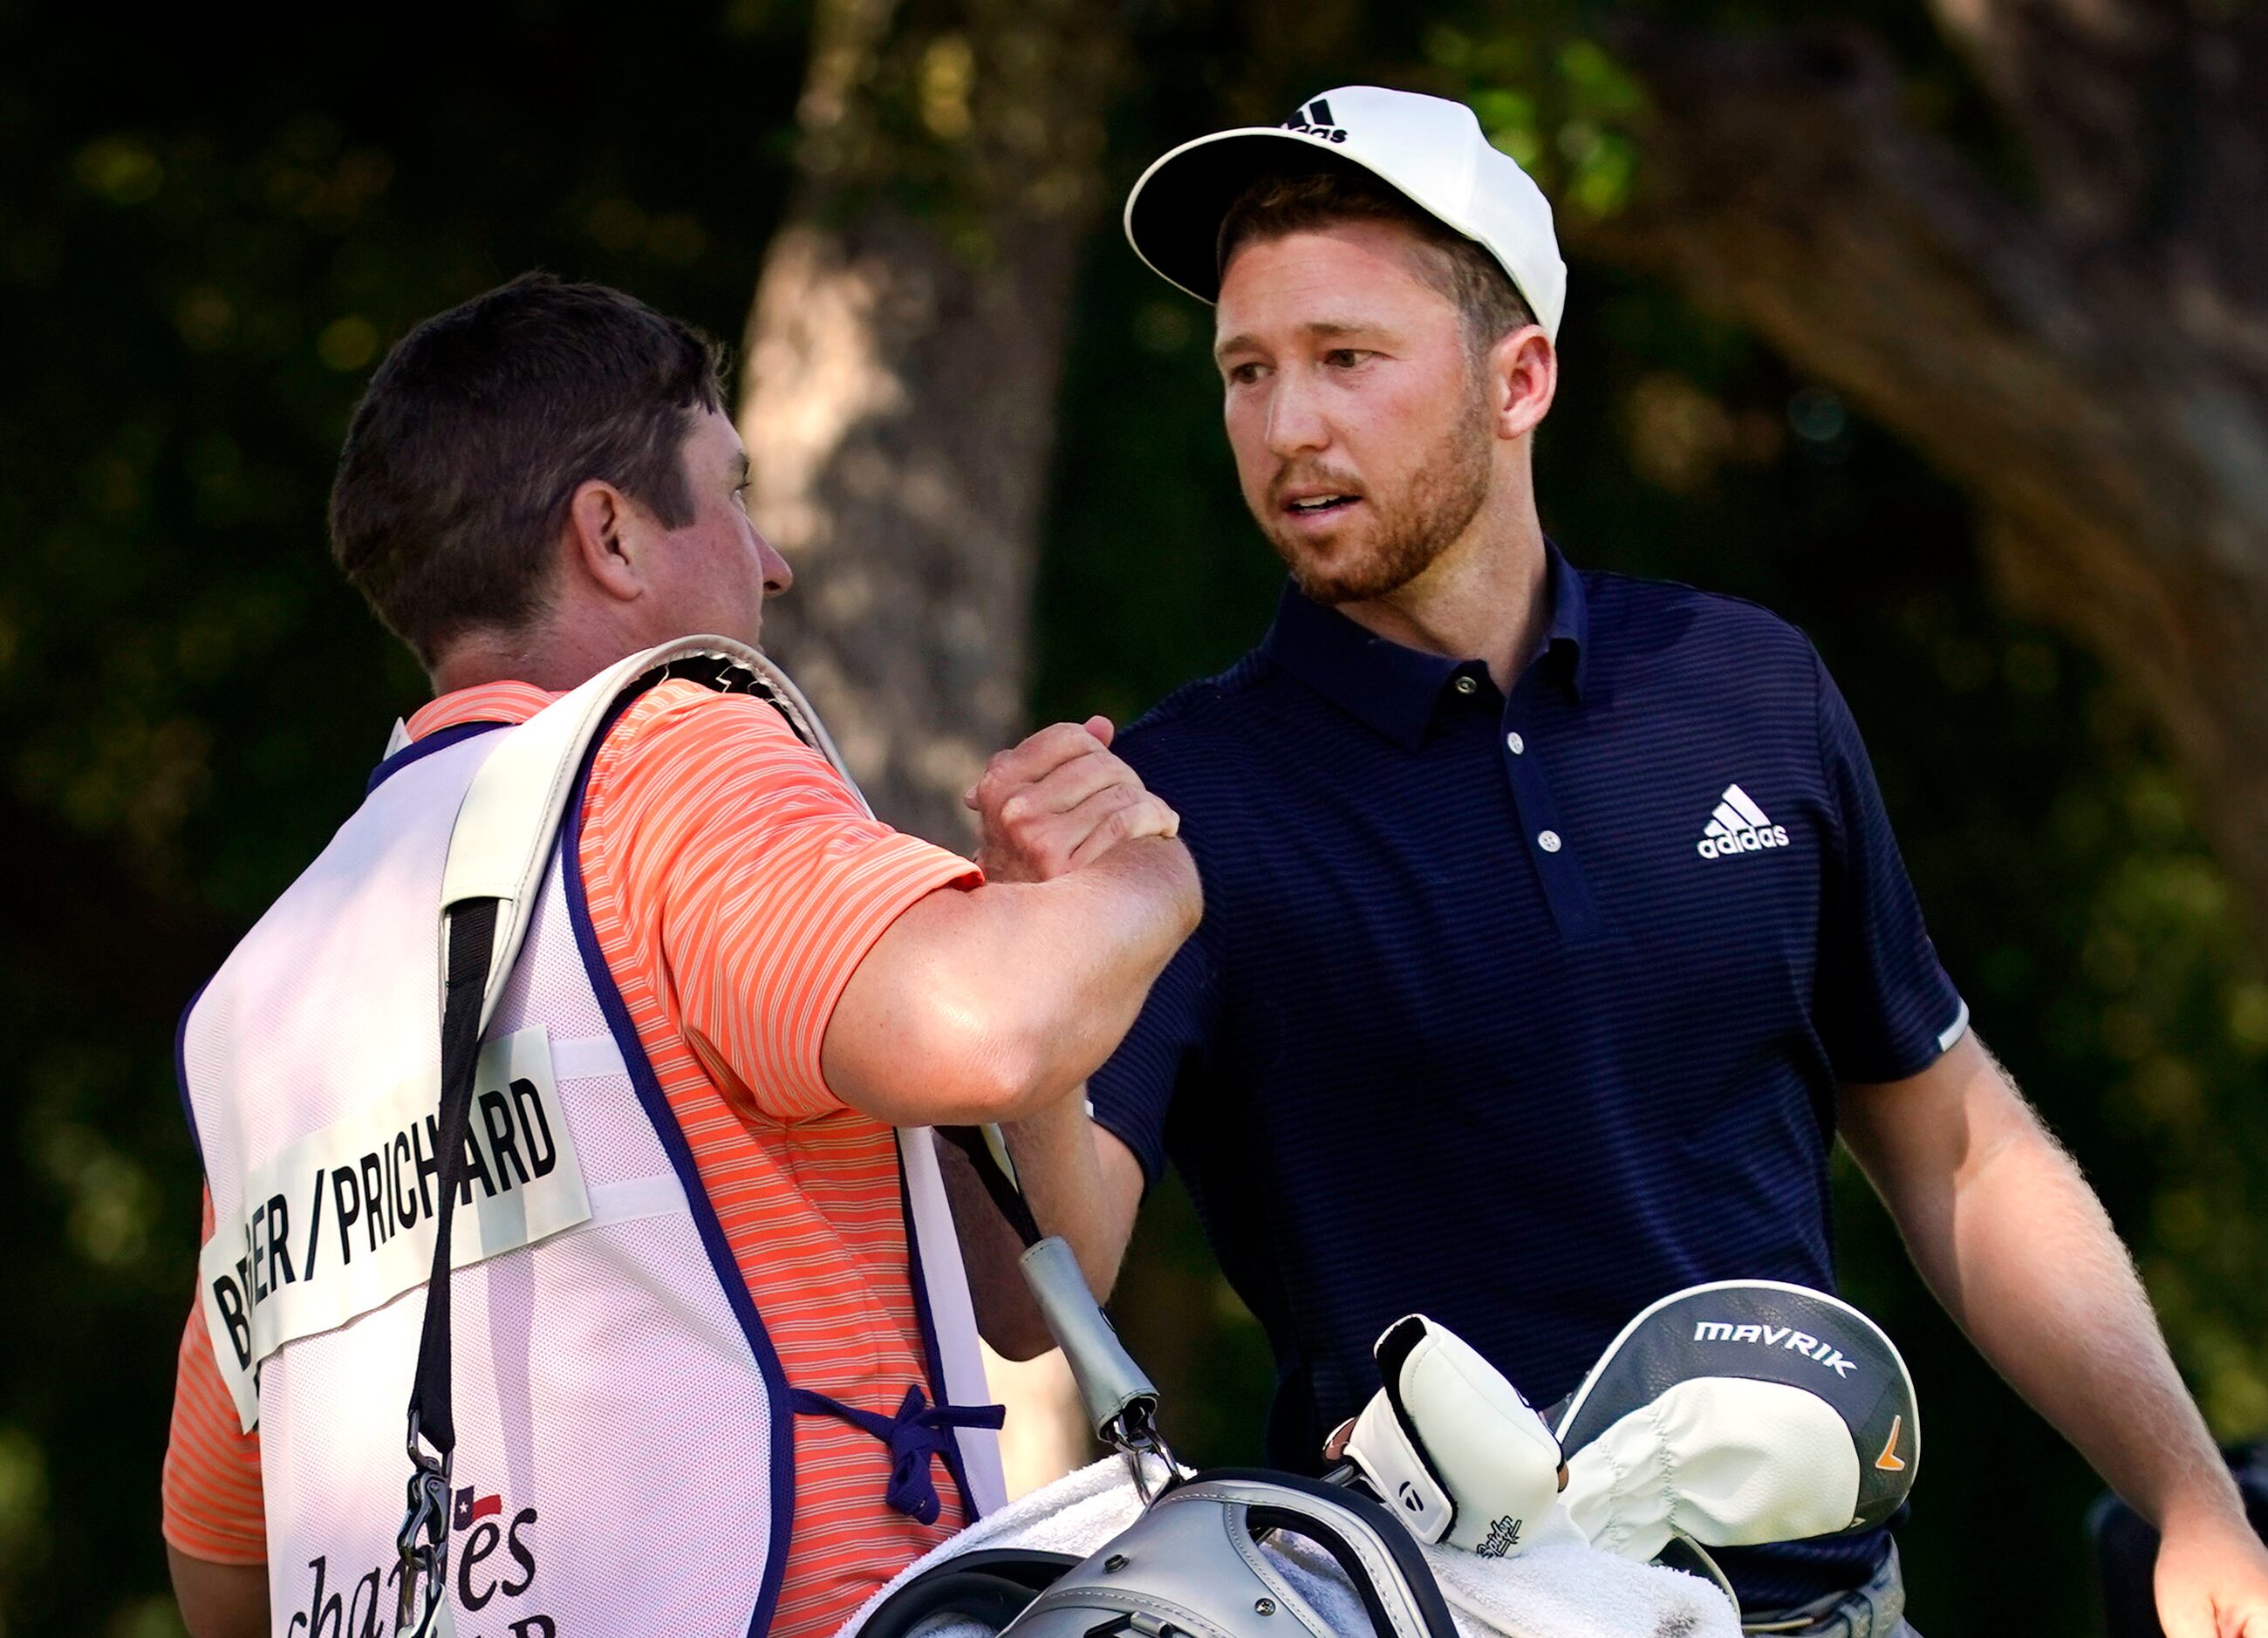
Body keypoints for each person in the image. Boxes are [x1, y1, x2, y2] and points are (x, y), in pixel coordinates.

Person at [973, 86, 2268, 1635]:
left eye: (1346, 359)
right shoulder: (1180, 798)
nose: (1286, 426)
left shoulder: (1749, 682)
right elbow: (1034, 1294)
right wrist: (1031, 974)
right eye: (1247, 371)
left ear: (1519, 378)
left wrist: (2194, 1499)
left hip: (1843, 1611)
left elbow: (1959, 1150)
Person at [160, 274, 1200, 1638]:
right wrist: (1155, 868)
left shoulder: (267, 986)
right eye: (733, 491)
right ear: (612, 534)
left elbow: (225, 1562)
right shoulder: (661, 754)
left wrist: (1014, 935)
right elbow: (988, 1024)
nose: (772, 561)